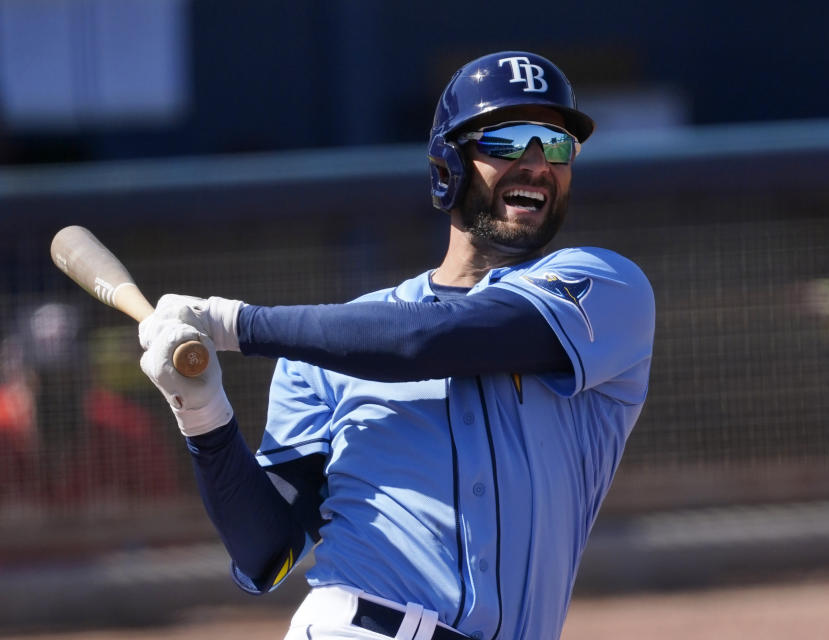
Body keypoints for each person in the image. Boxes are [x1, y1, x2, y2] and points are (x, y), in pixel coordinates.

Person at [138, 51, 655, 640]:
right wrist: (203, 413)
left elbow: (424, 341)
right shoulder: (333, 349)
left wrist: (236, 325)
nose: (537, 163)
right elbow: (266, 555)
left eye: (555, 143)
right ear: (448, 166)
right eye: (508, 140)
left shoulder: (605, 288)